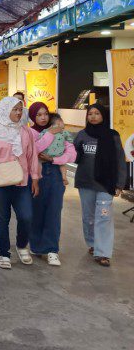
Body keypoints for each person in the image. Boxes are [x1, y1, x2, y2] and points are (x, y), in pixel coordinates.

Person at [0, 97, 40, 270]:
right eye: (15, 109)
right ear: (5, 110)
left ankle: (21, 245)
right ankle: (4, 252)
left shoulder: (25, 132)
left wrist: (35, 178)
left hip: (22, 182)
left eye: (20, 109)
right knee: (2, 219)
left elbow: (32, 155)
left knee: (26, 217)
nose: (19, 112)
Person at [73, 103, 126, 267]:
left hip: (105, 183)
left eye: (97, 113)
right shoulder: (82, 135)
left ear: (104, 115)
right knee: (88, 217)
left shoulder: (113, 135)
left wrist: (119, 183)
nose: (93, 116)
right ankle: (93, 243)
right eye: (90, 114)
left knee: (103, 216)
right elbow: (74, 156)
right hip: (85, 183)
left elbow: (120, 160)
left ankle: (103, 252)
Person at [28, 102, 76, 266]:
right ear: (33, 116)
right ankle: (35, 245)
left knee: (54, 211)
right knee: (37, 211)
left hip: (55, 172)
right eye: (39, 115)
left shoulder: (60, 131)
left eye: (45, 114)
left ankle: (51, 250)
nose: (43, 117)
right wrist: (49, 133)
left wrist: (54, 159)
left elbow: (71, 154)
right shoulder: (30, 132)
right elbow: (34, 151)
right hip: (36, 174)